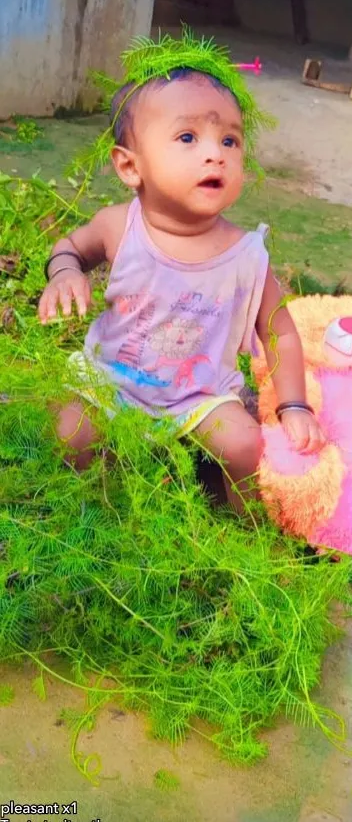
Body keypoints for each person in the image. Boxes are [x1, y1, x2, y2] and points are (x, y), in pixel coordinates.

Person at [38, 56, 325, 512]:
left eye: (229, 140)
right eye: (188, 137)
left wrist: (294, 405)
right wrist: (67, 273)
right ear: (130, 167)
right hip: (113, 379)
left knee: (247, 446)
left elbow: (279, 330)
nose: (216, 153)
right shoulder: (119, 226)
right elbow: (69, 246)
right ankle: (98, 508)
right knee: (73, 431)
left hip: (200, 394)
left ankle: (246, 533)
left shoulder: (246, 256)